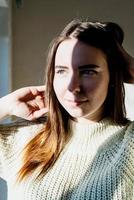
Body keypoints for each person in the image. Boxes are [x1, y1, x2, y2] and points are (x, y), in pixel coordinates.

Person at [0, 19, 134, 200]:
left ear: (112, 77)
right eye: (62, 71)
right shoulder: (27, 138)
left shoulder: (129, 145)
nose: (72, 87)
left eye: (88, 72)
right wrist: (5, 105)